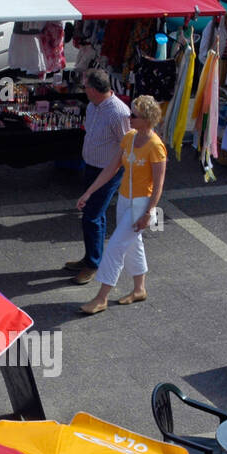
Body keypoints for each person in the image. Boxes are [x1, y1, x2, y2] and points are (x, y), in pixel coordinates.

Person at [75, 95, 166, 314]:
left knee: (116, 246)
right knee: (134, 244)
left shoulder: (156, 146)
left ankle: (101, 297)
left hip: (141, 204)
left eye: (134, 115)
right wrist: (89, 192)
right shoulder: (130, 137)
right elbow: (112, 168)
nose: (129, 117)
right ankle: (139, 289)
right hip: (125, 200)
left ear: (146, 119)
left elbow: (159, 184)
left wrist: (149, 212)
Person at [66, 69, 131, 285]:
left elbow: (126, 146)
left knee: (91, 216)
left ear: (94, 90)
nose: (83, 90)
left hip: (108, 172)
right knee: (96, 214)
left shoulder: (118, 113)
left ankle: (92, 264)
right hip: (91, 166)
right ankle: (91, 257)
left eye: (85, 86)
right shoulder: (93, 106)